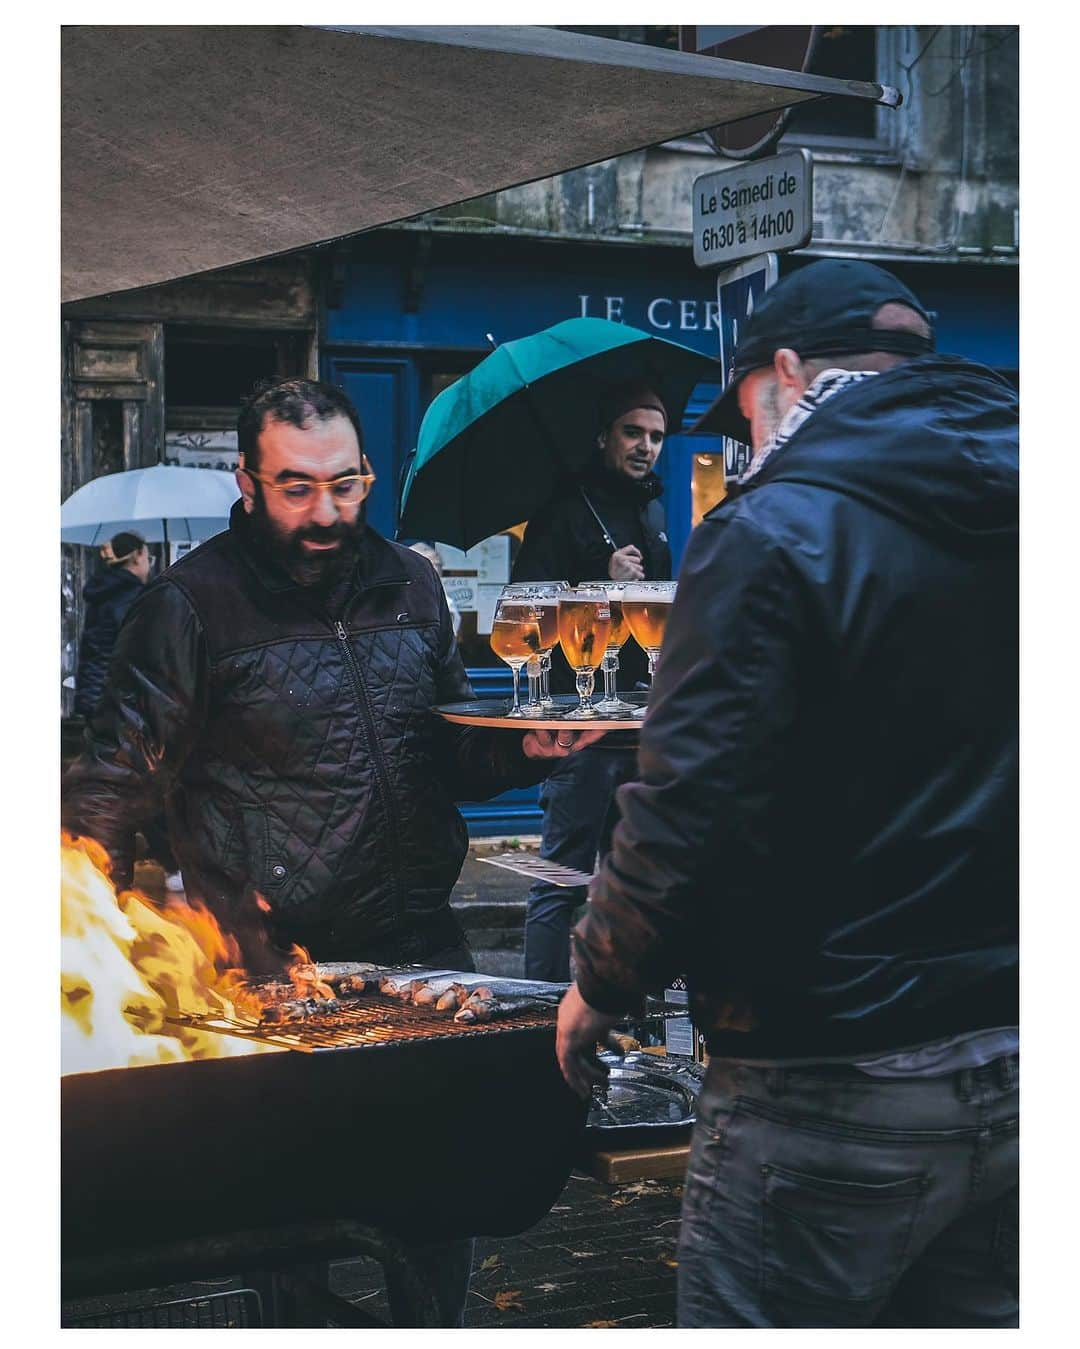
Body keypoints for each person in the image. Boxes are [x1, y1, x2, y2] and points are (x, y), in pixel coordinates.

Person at [62, 376, 600, 1326]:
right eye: (297, 487)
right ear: (247, 479)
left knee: (447, 1190)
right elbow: (116, 780)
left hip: (422, 948)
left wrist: (518, 746)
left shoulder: (412, 579)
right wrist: (71, 942)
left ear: (369, 473)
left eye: (345, 485)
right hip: (274, 966)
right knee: (292, 1219)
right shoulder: (189, 605)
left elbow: (446, 751)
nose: (326, 510)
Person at [555, 260, 1019, 1328]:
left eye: (747, 415)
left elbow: (690, 807)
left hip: (830, 1068)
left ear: (787, 373)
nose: (745, 445)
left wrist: (601, 980)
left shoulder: (770, 527)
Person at [511, 382, 672, 981]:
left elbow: (655, 615)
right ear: (605, 437)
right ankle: (531, 1018)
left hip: (637, 723)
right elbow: (527, 611)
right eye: (633, 432)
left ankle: (613, 1008)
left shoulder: (652, 512)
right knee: (561, 879)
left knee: (630, 884)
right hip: (578, 723)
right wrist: (596, 576)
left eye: (656, 436)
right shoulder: (564, 510)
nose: (646, 447)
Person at [73, 531, 151, 719]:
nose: (149, 564)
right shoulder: (133, 597)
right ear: (138, 556)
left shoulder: (104, 592)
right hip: (116, 704)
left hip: (93, 695)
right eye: (149, 558)